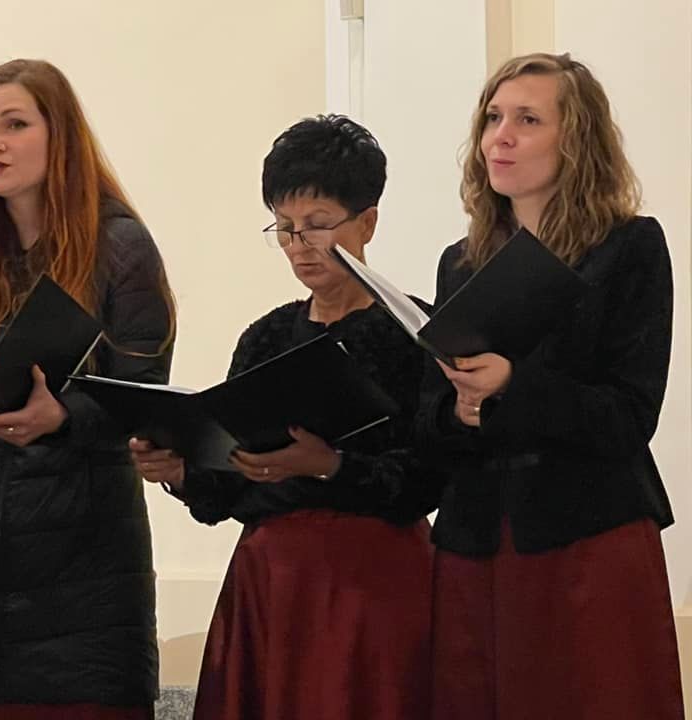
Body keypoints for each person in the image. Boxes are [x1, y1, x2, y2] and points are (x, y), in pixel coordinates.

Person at [131, 115, 439, 720]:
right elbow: (226, 488)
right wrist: (180, 470)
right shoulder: (267, 338)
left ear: (367, 222)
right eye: (285, 228)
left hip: (374, 587)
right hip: (270, 582)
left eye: (318, 225)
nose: (300, 245)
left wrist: (330, 465)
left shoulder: (413, 332)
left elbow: (429, 476)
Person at [0, 59, 175, 719]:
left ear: (60, 135)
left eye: (14, 125)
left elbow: (143, 393)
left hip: (83, 557)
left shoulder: (119, 246)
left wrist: (65, 416)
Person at [416, 52, 683, 719]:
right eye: (493, 118)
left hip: (586, 537)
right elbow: (430, 418)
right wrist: (460, 412)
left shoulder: (629, 248)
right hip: (476, 540)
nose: (500, 137)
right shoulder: (461, 262)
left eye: (527, 120)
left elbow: (628, 416)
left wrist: (512, 384)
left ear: (576, 140)